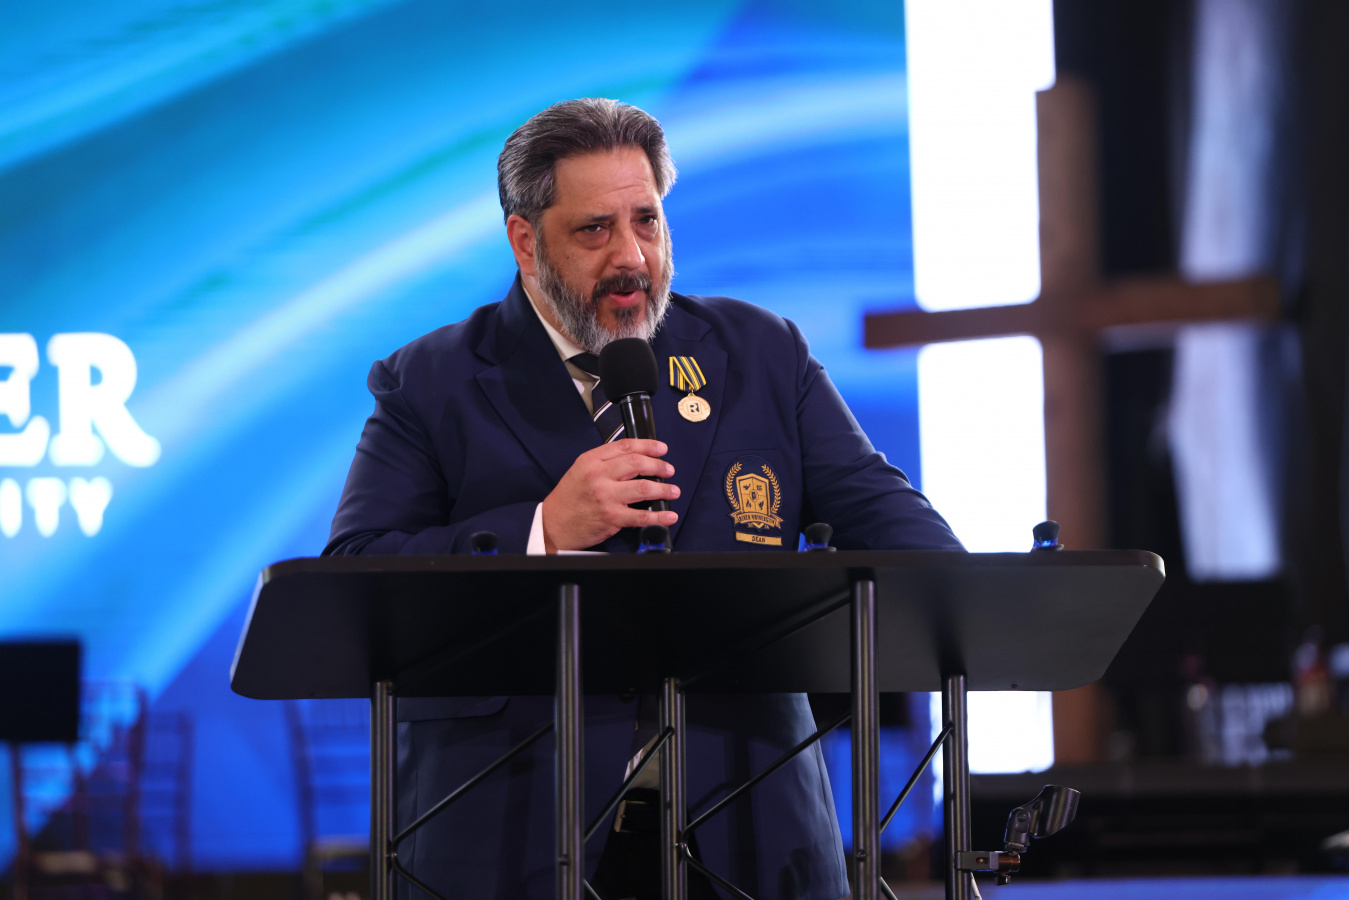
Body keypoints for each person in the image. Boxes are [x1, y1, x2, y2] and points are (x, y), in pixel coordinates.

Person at [325, 98, 963, 900]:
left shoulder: (761, 352)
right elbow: (357, 571)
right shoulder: (429, 380)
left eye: (647, 222)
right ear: (525, 241)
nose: (631, 258)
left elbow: (900, 533)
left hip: (748, 820)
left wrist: (984, 600)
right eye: (594, 230)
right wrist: (544, 528)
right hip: (509, 825)